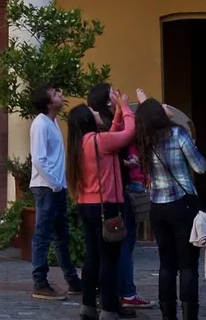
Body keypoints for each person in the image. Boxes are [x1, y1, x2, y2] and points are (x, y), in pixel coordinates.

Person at [135, 92, 206, 320]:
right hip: (183, 204)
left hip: (158, 206)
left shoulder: (144, 141)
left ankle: (168, 314)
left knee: (166, 264)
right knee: (187, 264)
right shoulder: (178, 134)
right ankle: (189, 313)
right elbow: (200, 167)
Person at [69, 88, 135, 320]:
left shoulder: (84, 142)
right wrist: (125, 107)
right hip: (106, 206)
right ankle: (108, 308)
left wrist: (116, 113)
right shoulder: (100, 141)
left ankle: (88, 305)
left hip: (87, 205)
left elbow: (113, 135)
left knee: (93, 257)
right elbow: (128, 134)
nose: (97, 113)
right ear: (88, 119)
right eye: (92, 112)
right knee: (109, 259)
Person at [89, 84, 151, 312]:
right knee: (124, 242)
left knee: (114, 244)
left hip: (114, 191)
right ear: (107, 101)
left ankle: (114, 292)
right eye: (113, 92)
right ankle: (125, 292)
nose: (118, 93)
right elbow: (129, 134)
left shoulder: (106, 123)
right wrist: (129, 107)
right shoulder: (107, 124)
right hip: (120, 190)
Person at [30, 85, 81, 300]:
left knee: (62, 234)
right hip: (46, 187)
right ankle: (40, 282)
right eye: (56, 95)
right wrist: (55, 184)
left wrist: (61, 184)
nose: (61, 96)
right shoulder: (41, 124)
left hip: (56, 187)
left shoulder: (53, 122)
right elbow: (39, 159)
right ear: (49, 103)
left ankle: (72, 280)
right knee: (43, 234)